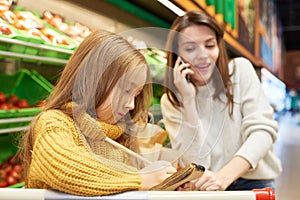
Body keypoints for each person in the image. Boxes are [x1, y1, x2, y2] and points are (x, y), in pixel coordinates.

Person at [18, 29, 176, 196]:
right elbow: (62, 168)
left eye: (136, 94)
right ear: (92, 81)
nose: (131, 105)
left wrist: (168, 184)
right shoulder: (55, 122)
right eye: (125, 90)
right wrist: (140, 180)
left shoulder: (119, 133)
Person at [160, 10, 282, 191]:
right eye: (190, 48)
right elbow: (196, 163)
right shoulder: (171, 101)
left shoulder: (239, 71)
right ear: (178, 54)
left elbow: (262, 131)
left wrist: (223, 177)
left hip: (254, 182)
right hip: (208, 186)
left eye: (209, 45)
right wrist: (188, 100)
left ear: (219, 46)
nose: (202, 55)